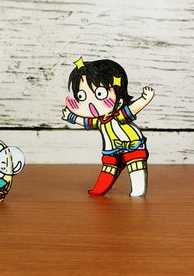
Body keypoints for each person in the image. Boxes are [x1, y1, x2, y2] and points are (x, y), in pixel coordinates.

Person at [62, 57, 155, 197]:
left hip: (132, 146)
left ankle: (138, 191)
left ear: (120, 101)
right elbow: (86, 122)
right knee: (108, 170)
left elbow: (133, 109)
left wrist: (145, 98)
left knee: (136, 168)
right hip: (111, 151)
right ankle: (100, 189)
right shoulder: (99, 121)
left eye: (100, 94)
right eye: (81, 96)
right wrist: (71, 117)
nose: (91, 103)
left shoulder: (120, 115)